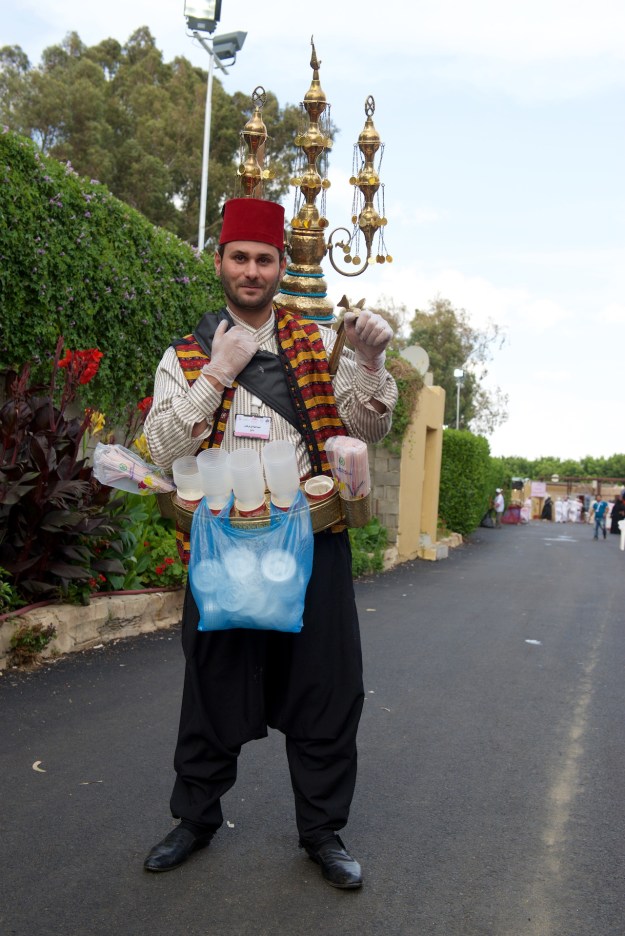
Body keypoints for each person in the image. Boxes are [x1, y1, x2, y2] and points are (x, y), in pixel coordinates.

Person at [142, 198, 398, 889]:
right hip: (225, 547)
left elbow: (363, 432)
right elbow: (160, 448)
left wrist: (370, 363)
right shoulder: (188, 353)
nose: (251, 271)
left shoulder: (318, 346)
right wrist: (217, 373)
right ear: (219, 262)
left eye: (264, 259)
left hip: (312, 544)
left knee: (326, 688)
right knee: (212, 684)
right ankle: (195, 818)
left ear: (282, 265)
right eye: (239, 257)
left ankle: (322, 832)